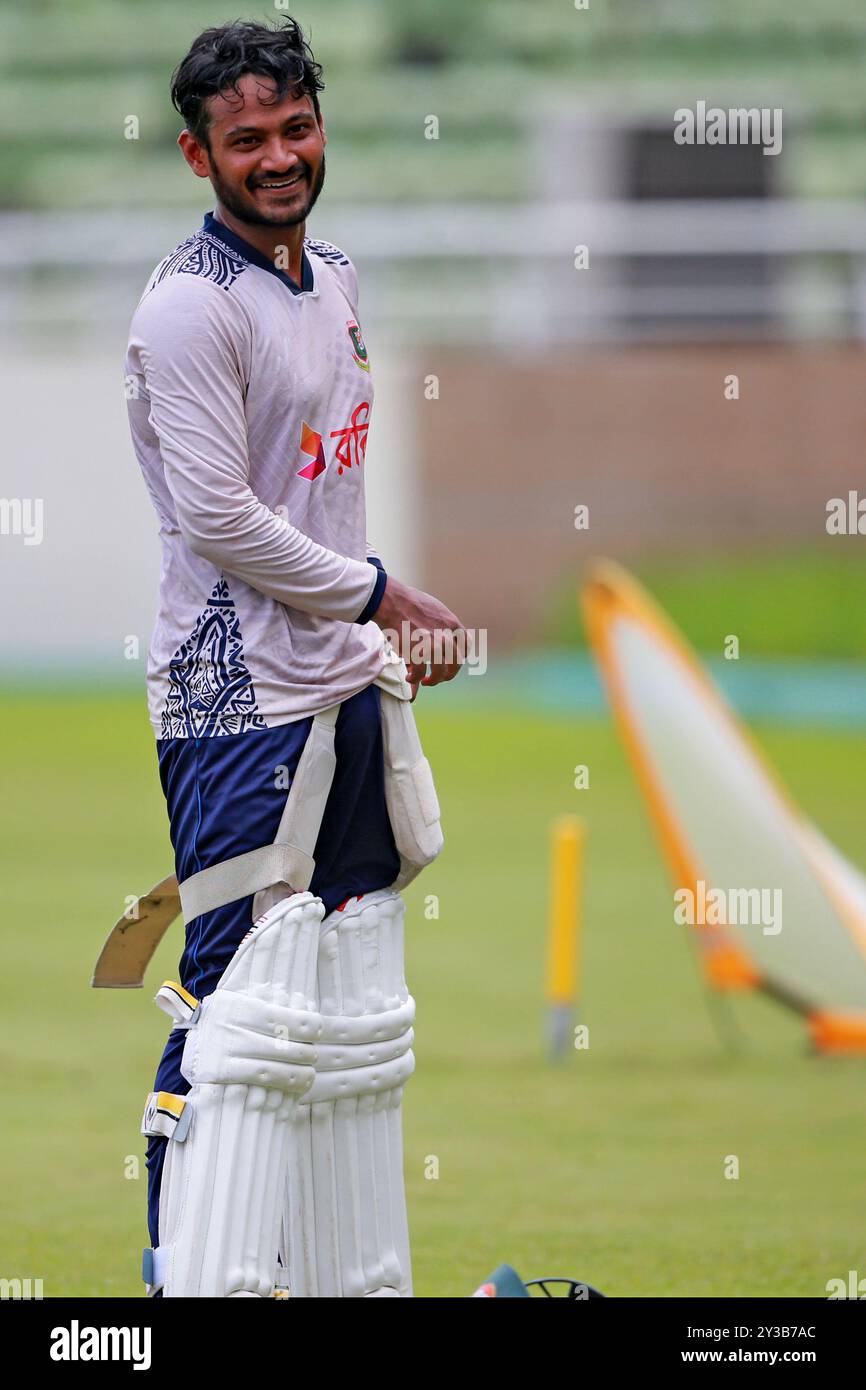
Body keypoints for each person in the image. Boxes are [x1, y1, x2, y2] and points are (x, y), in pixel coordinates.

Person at [125, 16, 464, 1297]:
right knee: (244, 1014)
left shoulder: (337, 279)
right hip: (232, 706)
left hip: (340, 688)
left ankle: (331, 1282)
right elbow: (219, 514)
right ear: (196, 153)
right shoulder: (185, 308)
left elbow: (322, 494)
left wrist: (368, 630)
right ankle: (186, 1288)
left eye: (295, 128)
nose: (278, 157)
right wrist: (380, 597)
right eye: (246, 139)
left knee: (346, 997)